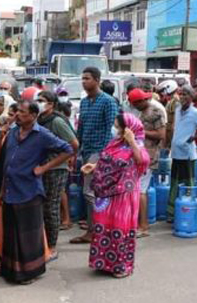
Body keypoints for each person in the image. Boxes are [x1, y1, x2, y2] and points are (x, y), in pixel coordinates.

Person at [0, 100, 72, 284]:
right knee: (10, 232)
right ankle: (9, 270)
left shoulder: (42, 135)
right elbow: (7, 162)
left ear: (33, 116)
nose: (17, 115)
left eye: (22, 112)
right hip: (10, 188)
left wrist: (44, 168)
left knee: (28, 235)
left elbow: (68, 149)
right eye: (17, 112)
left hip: (29, 190)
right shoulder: (14, 132)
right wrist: (2, 189)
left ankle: (29, 273)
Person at [84, 113, 150, 277]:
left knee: (120, 226)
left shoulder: (137, 145)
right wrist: (94, 166)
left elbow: (142, 161)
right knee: (103, 223)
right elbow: (106, 159)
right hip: (106, 193)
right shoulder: (115, 143)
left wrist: (132, 141)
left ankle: (121, 266)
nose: (116, 130)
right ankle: (102, 262)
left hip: (124, 195)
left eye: (118, 127)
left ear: (128, 128)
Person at [71, 66, 119, 244]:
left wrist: (105, 155)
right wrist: (76, 150)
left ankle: (95, 230)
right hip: (86, 150)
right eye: (82, 78)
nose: (84, 82)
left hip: (100, 152)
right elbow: (81, 129)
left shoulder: (107, 101)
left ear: (97, 80)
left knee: (89, 191)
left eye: (88, 78)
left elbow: (112, 129)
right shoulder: (84, 102)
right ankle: (97, 228)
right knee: (93, 192)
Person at [36, 91, 78, 256]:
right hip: (42, 168)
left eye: (42, 100)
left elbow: (74, 144)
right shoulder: (39, 120)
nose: (38, 103)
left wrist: (66, 159)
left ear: (51, 104)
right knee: (42, 207)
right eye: (37, 100)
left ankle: (52, 246)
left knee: (51, 207)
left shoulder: (57, 121)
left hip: (56, 169)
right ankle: (43, 241)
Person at [166, 85, 197, 222]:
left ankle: (188, 212)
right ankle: (172, 212)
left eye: (186, 95)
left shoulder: (195, 112)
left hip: (187, 154)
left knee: (188, 184)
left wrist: (194, 137)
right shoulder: (178, 109)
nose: (183, 97)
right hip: (176, 153)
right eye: (181, 94)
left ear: (192, 98)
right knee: (174, 182)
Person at [127, 88, 166, 237]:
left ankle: (143, 226)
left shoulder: (155, 112)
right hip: (141, 154)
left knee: (141, 191)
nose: (135, 107)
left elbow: (161, 134)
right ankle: (139, 223)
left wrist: (139, 132)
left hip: (148, 156)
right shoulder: (144, 112)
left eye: (135, 104)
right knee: (138, 189)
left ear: (142, 101)